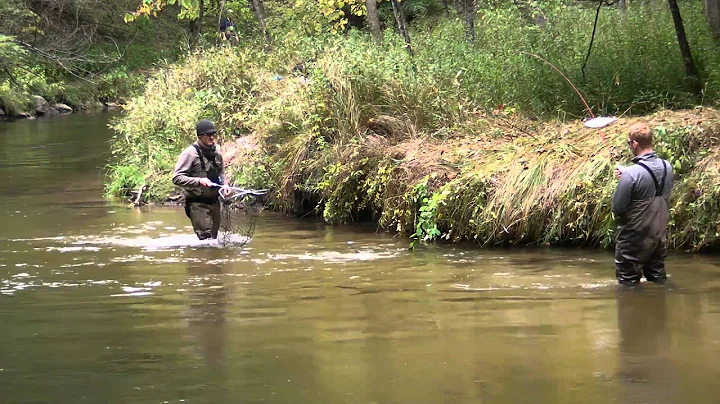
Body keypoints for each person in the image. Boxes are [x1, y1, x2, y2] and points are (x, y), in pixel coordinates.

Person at [612, 123, 674, 285]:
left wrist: (626, 176)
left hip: (633, 240)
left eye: (629, 143)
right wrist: (627, 173)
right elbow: (649, 180)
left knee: (628, 285)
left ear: (635, 144)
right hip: (658, 236)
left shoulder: (631, 175)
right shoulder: (668, 167)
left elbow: (617, 209)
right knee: (658, 279)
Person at [172, 119, 231, 240]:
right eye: (207, 135)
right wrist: (199, 181)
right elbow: (177, 178)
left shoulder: (217, 150)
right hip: (197, 203)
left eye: (213, 134)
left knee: (214, 239)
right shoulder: (189, 154)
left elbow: (221, 171)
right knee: (206, 239)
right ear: (199, 136)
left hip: (214, 201)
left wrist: (225, 185)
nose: (211, 137)